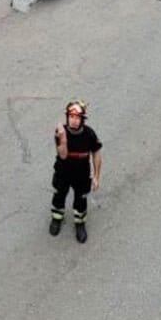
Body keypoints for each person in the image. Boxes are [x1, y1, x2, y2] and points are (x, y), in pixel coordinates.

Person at [50, 100, 102, 243]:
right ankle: (57, 218)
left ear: (82, 119)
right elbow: (63, 155)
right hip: (63, 172)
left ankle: (80, 223)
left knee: (81, 200)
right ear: (67, 117)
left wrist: (96, 176)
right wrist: (63, 138)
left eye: (77, 117)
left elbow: (96, 154)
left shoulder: (90, 134)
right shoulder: (60, 132)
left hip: (82, 175)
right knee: (59, 195)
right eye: (71, 116)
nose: (73, 120)